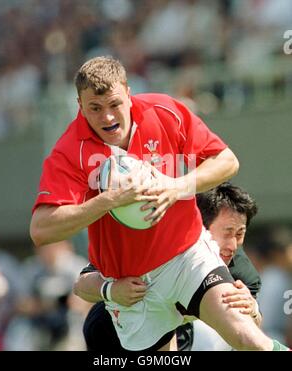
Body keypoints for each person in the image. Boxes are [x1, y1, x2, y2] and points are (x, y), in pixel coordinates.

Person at [30, 56, 287, 351]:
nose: (107, 118)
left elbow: (227, 161)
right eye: (95, 109)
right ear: (80, 104)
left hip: (187, 256)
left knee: (248, 339)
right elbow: (41, 230)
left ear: (128, 92)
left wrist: (176, 186)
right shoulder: (69, 151)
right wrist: (108, 200)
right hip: (132, 287)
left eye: (114, 104)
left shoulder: (165, 111)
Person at [75, 182, 262, 351]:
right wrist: (111, 290)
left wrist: (251, 308)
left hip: (175, 331)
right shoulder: (152, 243)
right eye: (227, 232)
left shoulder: (240, 270)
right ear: (200, 227)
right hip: (112, 331)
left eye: (239, 234)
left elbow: (252, 327)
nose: (233, 245)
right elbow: (80, 286)